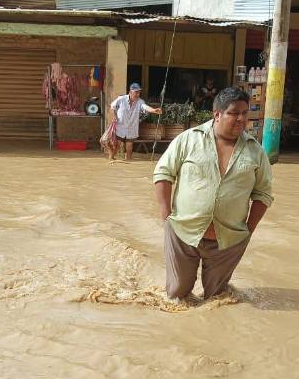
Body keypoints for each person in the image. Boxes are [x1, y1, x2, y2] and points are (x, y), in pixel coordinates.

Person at [154, 87, 273, 301]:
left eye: (245, 113)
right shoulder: (188, 140)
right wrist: (166, 218)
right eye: (234, 112)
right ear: (217, 114)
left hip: (229, 240)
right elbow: (163, 173)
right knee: (177, 295)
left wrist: (248, 230)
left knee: (216, 298)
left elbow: (263, 194)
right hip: (183, 232)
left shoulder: (256, 151)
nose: (241, 118)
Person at [109, 83, 162, 161]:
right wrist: (114, 116)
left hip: (132, 128)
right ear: (130, 92)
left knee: (129, 147)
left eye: (139, 92)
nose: (138, 94)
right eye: (136, 92)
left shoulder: (140, 102)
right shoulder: (121, 99)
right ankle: (111, 158)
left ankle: (128, 162)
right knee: (116, 146)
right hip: (120, 126)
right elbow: (112, 106)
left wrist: (154, 110)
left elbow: (145, 107)